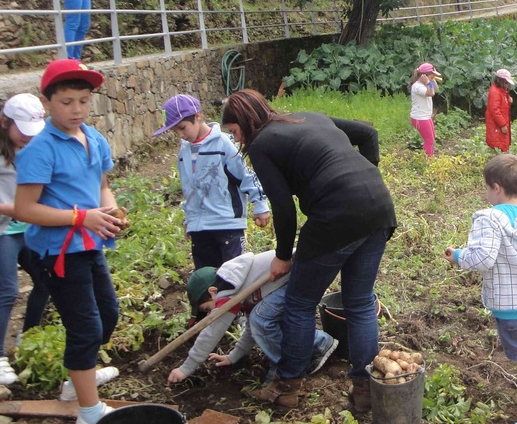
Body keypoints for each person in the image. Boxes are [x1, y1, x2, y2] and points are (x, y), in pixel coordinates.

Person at [220, 90, 397, 413]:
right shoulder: (310, 116)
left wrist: (283, 256)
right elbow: (368, 133)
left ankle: (286, 388)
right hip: (378, 206)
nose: (236, 139)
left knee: (300, 303)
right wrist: (365, 177)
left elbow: (284, 209)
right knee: (358, 303)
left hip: (335, 216)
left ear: (244, 122)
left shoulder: (261, 145)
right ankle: (365, 391)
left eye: (233, 132)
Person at [14, 60, 129, 424]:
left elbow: (102, 186)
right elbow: (25, 209)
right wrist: (83, 217)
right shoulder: (41, 149)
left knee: (108, 314)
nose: (76, 109)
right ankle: (89, 411)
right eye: (66, 101)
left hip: (90, 245)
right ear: (46, 102)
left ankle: (76, 381)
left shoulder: (93, 138)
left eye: (83, 100)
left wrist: (110, 213)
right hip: (58, 253)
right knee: (85, 328)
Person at [444, 155, 517, 423]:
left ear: (496, 187)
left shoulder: (488, 219)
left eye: (486, 187)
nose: (485, 193)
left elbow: (483, 258)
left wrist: (459, 256)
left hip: (512, 306)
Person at [167, 249, 337, 387]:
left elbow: (212, 331)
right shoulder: (241, 288)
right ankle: (319, 342)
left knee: (261, 316)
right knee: (263, 318)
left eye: (206, 308)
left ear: (212, 291)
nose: (210, 314)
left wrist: (185, 369)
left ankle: (285, 369)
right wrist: (233, 357)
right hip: (300, 277)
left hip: (305, 271)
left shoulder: (227, 288)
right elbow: (251, 329)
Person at [154, 94, 271, 270]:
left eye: (182, 128)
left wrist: (260, 204)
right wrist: (190, 219)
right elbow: (189, 188)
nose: (180, 135)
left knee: (235, 275)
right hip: (199, 228)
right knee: (207, 279)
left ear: (198, 116)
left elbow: (245, 175)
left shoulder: (223, 144)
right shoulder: (184, 151)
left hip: (227, 224)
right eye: (175, 131)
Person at [0, 94, 50, 387]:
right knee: (7, 291)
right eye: (23, 131)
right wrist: (5, 208)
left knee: (46, 279)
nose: (28, 138)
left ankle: (28, 336)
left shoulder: (31, 151)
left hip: (26, 230)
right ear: (5, 123)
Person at [409, 63, 441, 157]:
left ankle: (428, 157)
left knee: (432, 138)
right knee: (429, 140)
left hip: (426, 116)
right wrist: (428, 82)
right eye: (431, 77)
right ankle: (428, 160)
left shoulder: (426, 84)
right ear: (424, 76)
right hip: (420, 117)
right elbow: (431, 93)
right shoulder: (417, 86)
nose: (432, 79)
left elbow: (435, 88)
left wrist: (432, 78)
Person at [485, 69, 516, 153]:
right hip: (497, 125)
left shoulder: (502, 91)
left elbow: (503, 107)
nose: (507, 85)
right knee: (498, 146)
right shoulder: (495, 92)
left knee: (501, 145)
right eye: (506, 83)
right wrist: (502, 125)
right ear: (499, 81)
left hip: (500, 123)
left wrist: (509, 101)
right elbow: (494, 110)